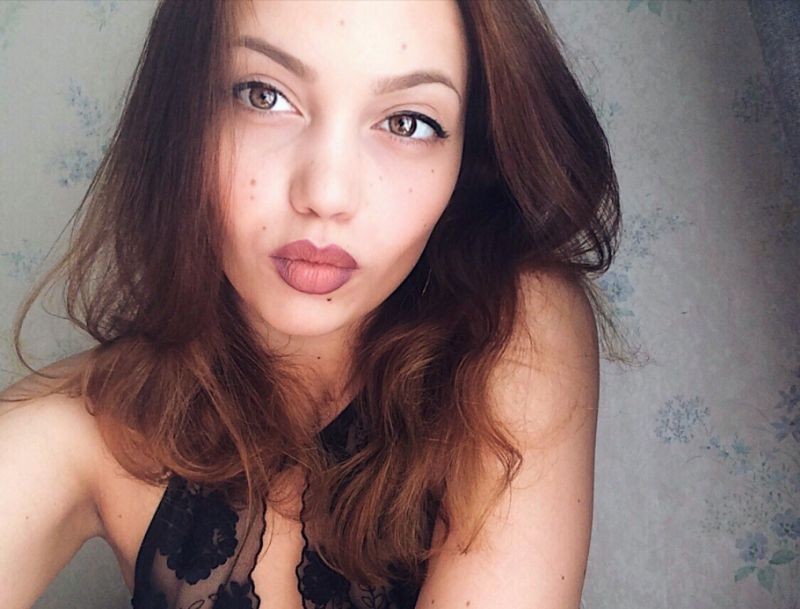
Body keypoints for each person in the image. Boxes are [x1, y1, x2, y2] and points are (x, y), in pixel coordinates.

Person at [0, 0, 629, 608]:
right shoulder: (81, 427)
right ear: (181, 115)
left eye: (408, 123)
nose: (326, 193)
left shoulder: (511, 322)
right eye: (264, 96)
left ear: (469, 162)